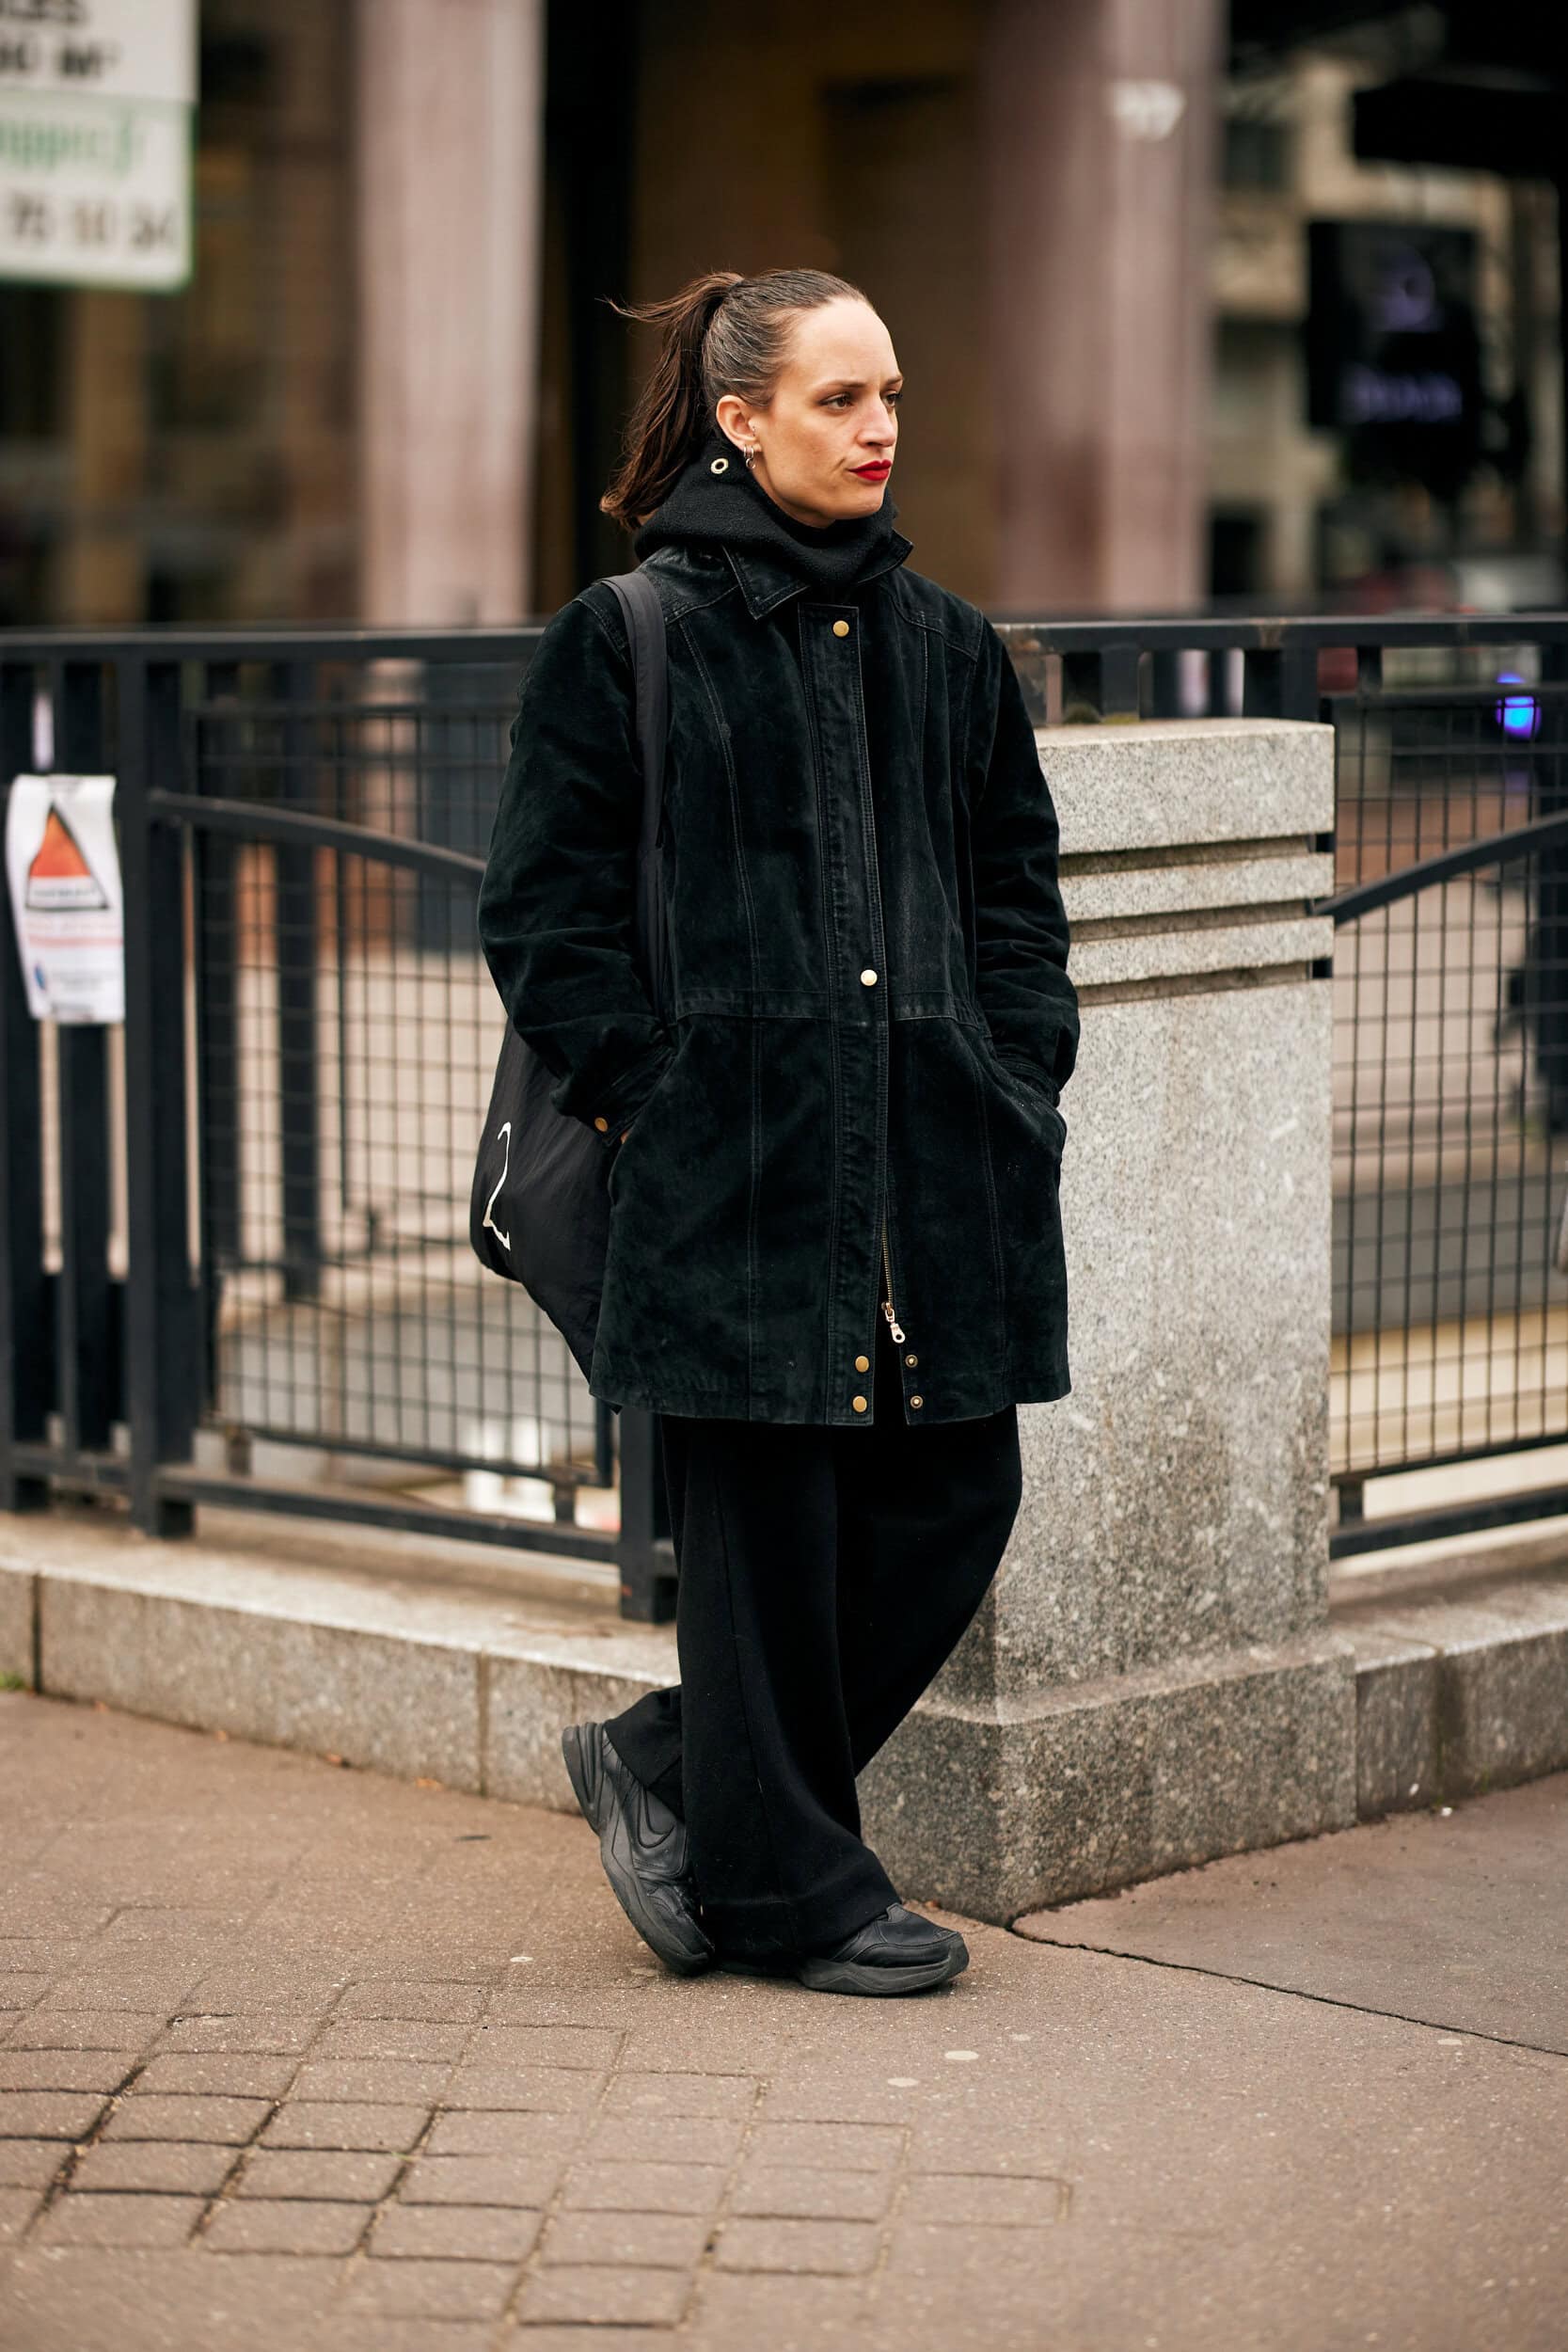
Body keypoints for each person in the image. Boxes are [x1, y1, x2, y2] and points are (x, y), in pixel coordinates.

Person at [478, 268, 1077, 1998]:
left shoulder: (950, 648)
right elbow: (545, 913)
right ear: (742, 421)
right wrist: (654, 1098)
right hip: (725, 1174)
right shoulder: (630, 634)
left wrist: (1018, 1070)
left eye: (893, 393)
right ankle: (787, 1894)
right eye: (840, 398)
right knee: (772, 1536)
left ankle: (676, 1770)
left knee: (958, 1493)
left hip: (936, 1165)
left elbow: (1014, 901)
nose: (882, 425)